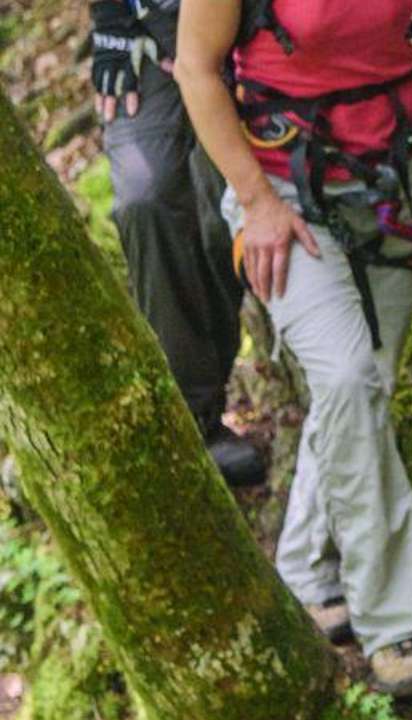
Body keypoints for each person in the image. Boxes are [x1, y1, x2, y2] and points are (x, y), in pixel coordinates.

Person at [175, 0, 412, 696]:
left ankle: (301, 568)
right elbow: (196, 71)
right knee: (352, 377)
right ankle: (392, 625)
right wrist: (257, 201)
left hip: (399, 174)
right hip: (284, 195)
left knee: (360, 388)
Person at [90, 0, 265, 487]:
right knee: (145, 201)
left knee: (220, 206)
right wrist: (111, 23)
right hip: (147, 32)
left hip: (254, 31)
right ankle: (194, 424)